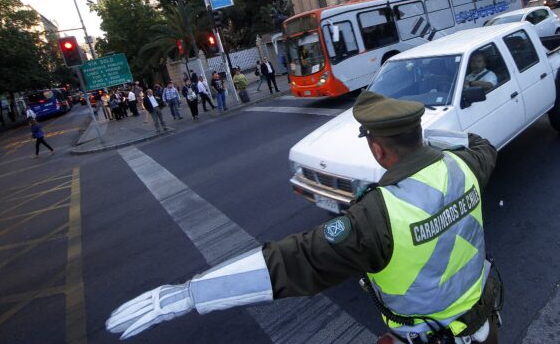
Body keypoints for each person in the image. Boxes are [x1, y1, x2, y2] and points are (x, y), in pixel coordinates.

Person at [106, 91, 502, 344]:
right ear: (418, 134)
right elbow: (481, 144)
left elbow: (296, 259)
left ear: (378, 151)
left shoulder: (377, 215)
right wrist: (429, 142)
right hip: (485, 328)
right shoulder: (466, 167)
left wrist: (193, 293)